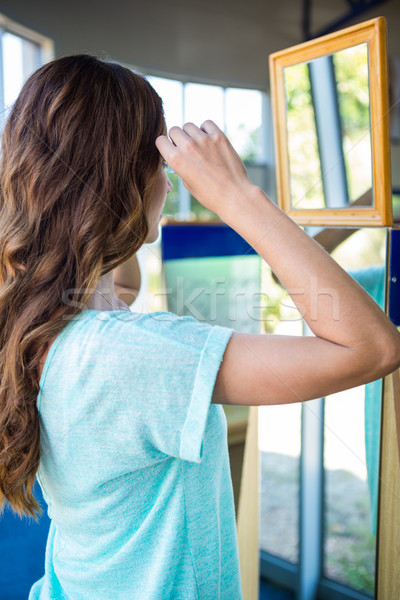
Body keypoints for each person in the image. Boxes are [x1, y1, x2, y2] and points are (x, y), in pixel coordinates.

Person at [0, 54, 398, 600]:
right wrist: (236, 196)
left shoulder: (39, 320)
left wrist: (108, 198)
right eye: (159, 163)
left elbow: (120, 284)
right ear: (126, 182)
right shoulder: (137, 354)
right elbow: (370, 347)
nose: (169, 181)